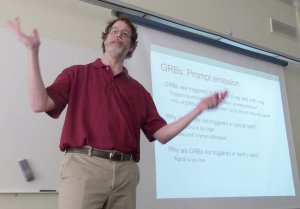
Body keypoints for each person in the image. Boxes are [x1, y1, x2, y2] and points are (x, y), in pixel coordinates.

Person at [8, 16, 227, 209]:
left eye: (125, 34)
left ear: (130, 46)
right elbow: (39, 104)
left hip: (126, 172)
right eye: (114, 31)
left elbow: (163, 134)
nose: (118, 36)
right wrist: (33, 52)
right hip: (84, 166)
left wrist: (198, 109)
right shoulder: (77, 74)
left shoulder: (139, 92)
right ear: (105, 39)